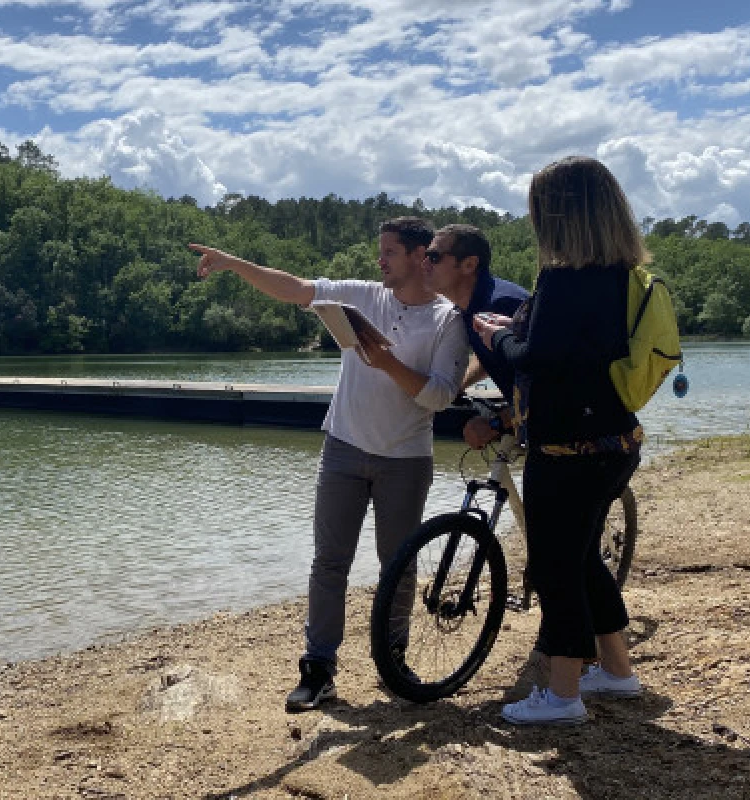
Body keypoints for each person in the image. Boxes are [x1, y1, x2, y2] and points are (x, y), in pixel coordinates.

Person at [190, 217, 468, 712]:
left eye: (389, 252)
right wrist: (232, 264)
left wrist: (387, 364)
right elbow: (295, 288)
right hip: (342, 448)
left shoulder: (448, 319)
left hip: (405, 460)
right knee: (329, 563)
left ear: (419, 255)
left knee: (397, 568)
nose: (379, 260)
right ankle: (319, 669)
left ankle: (393, 659)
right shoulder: (361, 296)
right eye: (379, 250)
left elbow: (443, 397)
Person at [474, 156, 646, 726]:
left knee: (555, 568)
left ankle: (563, 695)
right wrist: (516, 335)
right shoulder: (622, 276)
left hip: (566, 450)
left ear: (555, 215)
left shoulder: (565, 278)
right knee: (584, 560)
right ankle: (618, 673)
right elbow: (573, 353)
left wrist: (493, 339)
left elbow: (538, 360)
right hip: (616, 441)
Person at [419, 224, 529, 447]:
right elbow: (491, 353)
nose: (424, 263)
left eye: (434, 257)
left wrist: (496, 424)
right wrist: (458, 385)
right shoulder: (471, 306)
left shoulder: (502, 305)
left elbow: (548, 387)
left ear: (469, 264)